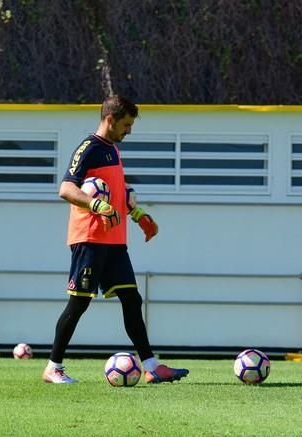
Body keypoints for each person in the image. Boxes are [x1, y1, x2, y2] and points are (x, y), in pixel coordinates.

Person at [42, 95, 188, 384]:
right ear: (110, 119)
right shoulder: (89, 147)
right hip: (89, 239)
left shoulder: (112, 151)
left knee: (132, 299)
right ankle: (52, 368)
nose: (129, 130)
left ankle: (151, 366)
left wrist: (140, 215)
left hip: (114, 242)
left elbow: (117, 192)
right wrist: (96, 205)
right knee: (79, 304)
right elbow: (66, 189)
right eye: (126, 124)